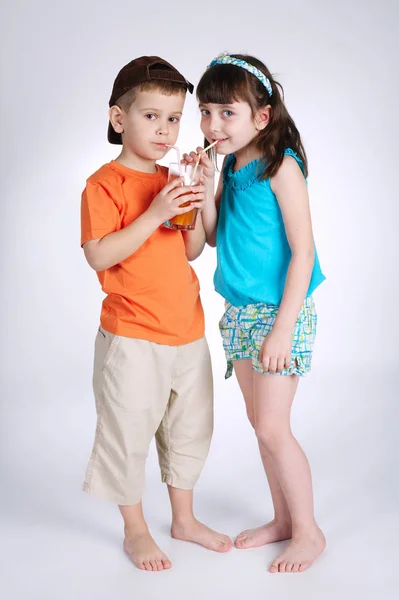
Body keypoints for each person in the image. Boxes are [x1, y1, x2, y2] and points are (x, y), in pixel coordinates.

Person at [80, 56, 233, 573]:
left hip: (186, 329)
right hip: (132, 335)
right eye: (151, 117)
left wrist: (197, 191)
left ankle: (184, 519)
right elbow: (100, 255)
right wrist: (155, 213)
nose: (165, 130)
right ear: (120, 119)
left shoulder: (174, 176)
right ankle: (136, 529)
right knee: (128, 433)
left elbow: (191, 250)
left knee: (190, 428)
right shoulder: (104, 184)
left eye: (173, 119)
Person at [183, 54, 326, 573]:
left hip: (279, 312)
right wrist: (202, 190)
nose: (212, 125)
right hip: (240, 312)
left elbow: (303, 252)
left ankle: (309, 531)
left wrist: (283, 328)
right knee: (259, 422)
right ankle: (283, 520)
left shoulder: (280, 164)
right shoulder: (232, 162)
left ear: (261, 117)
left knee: (272, 427)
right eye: (205, 112)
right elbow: (217, 234)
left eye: (226, 113)